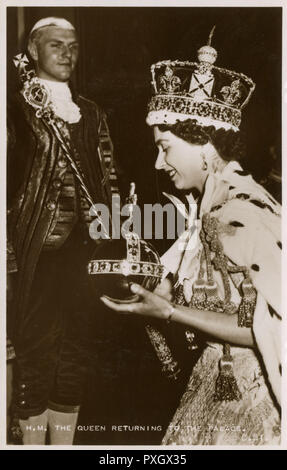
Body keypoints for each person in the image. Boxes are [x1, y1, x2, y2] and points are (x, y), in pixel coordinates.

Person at [101, 34, 282, 445]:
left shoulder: (235, 212)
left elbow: (264, 328)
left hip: (248, 396)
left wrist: (167, 311)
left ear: (204, 145)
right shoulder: (214, 204)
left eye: (165, 147)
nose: (158, 162)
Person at [7, 17, 119, 445]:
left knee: (77, 349)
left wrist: (110, 222)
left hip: (87, 250)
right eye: (57, 46)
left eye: (73, 46)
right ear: (34, 51)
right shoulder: (14, 108)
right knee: (36, 351)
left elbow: (107, 172)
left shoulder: (90, 111)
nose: (68, 54)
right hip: (37, 247)